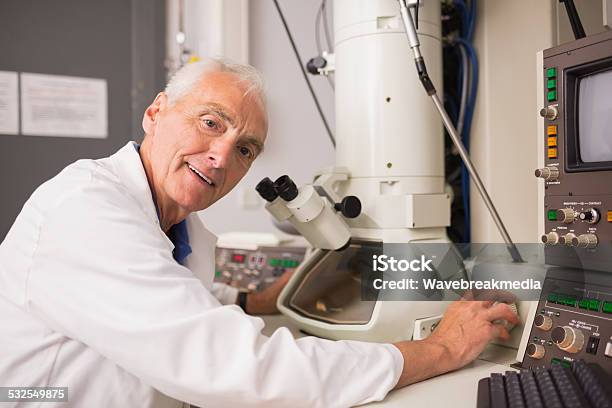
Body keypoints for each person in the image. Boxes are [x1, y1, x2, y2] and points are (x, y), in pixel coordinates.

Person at [0, 59, 518, 408]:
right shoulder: (87, 209)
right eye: (210, 123)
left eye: (245, 148)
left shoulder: (185, 228)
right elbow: (236, 367)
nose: (223, 157)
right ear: (156, 112)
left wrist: (266, 299)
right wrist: (442, 350)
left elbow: (180, 298)